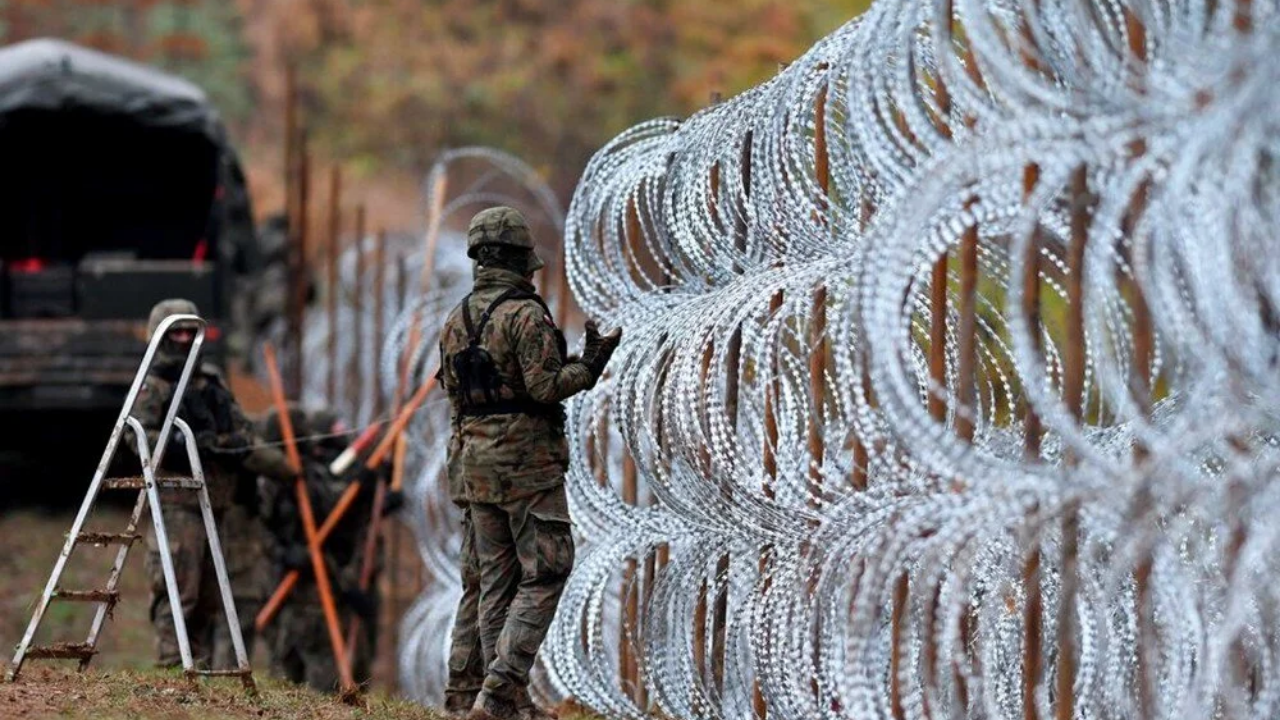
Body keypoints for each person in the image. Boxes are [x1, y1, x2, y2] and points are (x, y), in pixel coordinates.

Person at [438, 207, 621, 720]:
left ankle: (477, 698)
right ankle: (498, 695)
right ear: (520, 260)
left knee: (493, 580)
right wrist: (588, 366)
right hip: (526, 464)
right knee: (546, 571)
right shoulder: (525, 314)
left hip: (473, 463)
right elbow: (545, 387)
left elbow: (451, 392)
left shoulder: (458, 317)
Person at [133, 298, 296, 668]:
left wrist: (229, 444)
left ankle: (199, 666)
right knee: (178, 589)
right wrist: (187, 444)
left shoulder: (211, 381)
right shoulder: (153, 386)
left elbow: (241, 430)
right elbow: (142, 439)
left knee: (210, 594)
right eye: (176, 332)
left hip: (214, 502)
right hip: (176, 503)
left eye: (191, 332)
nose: (185, 339)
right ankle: (173, 665)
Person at [258, 406, 382, 692]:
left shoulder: (310, 475)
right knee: (284, 676)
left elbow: (332, 513)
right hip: (280, 589)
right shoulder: (264, 480)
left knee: (324, 681)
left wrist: (359, 488)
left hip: (317, 589)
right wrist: (283, 553)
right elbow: (259, 529)